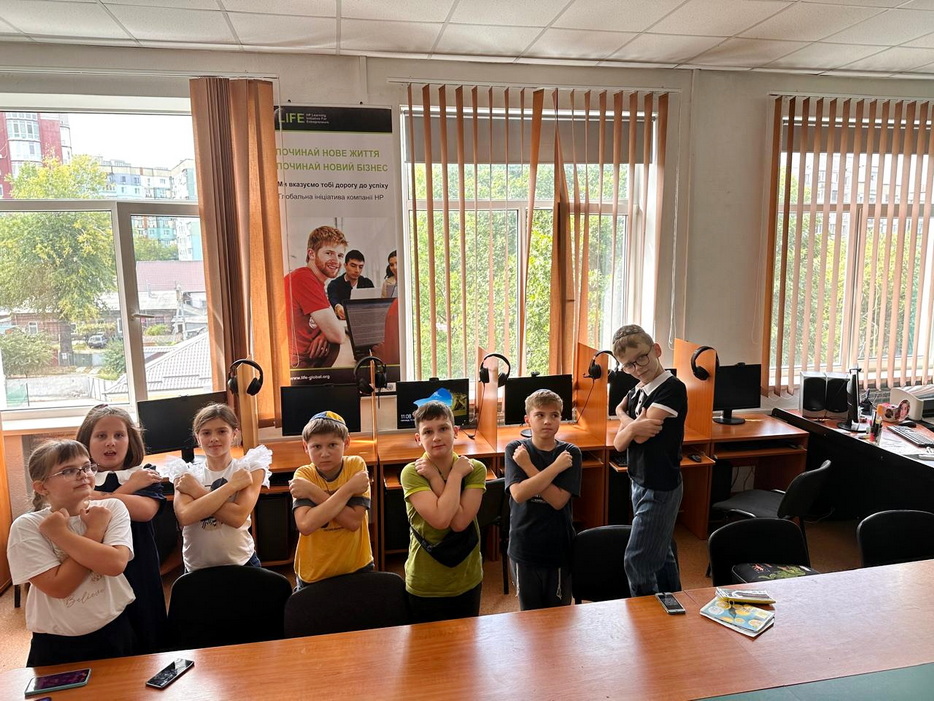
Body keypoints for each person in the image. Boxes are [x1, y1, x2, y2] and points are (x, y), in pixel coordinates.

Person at [7, 440, 136, 667]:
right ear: (41, 487)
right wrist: (94, 532)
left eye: (86, 467)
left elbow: (115, 564)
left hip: (114, 628)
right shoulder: (27, 526)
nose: (83, 475)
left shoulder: (111, 508)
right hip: (56, 643)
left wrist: (62, 535)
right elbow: (59, 587)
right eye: (68, 471)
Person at [76, 404, 166, 654]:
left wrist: (99, 496)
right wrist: (129, 489)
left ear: (130, 440)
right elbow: (84, 508)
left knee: (145, 628)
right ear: (87, 441)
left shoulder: (144, 474)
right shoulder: (80, 477)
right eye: (101, 436)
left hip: (138, 565)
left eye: (119, 435)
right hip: (97, 565)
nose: (110, 442)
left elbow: (144, 510)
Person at [611, 324, 687, 596]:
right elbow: (619, 443)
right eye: (628, 365)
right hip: (639, 481)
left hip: (660, 485)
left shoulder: (672, 388)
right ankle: (673, 606)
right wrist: (630, 424)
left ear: (656, 350)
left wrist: (623, 417)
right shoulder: (637, 391)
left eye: (641, 358)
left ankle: (646, 617)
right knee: (660, 551)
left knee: (638, 561)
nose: (637, 368)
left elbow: (641, 438)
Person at [401, 400, 486, 623]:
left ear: (455, 431)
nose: (436, 437)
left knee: (468, 643)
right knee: (426, 644)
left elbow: (459, 522)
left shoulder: (474, 469)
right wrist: (453, 476)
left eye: (443, 429)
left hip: (467, 577)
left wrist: (442, 478)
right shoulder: (412, 473)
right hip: (426, 582)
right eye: (428, 432)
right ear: (418, 438)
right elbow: (441, 519)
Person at [162, 404, 271, 572]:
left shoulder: (248, 470)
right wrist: (232, 486)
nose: (214, 438)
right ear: (197, 437)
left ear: (234, 434)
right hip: (197, 568)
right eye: (206, 433)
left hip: (242, 562)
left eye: (222, 431)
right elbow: (185, 516)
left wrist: (197, 492)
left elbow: (237, 517)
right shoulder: (185, 475)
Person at [505, 389, 582, 610]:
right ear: (528, 419)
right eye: (540, 415)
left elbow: (558, 501)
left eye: (554, 415)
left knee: (559, 615)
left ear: (561, 418)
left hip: (557, 548)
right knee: (529, 615)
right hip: (524, 546)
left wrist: (528, 467)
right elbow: (519, 494)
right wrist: (554, 468)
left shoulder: (570, 453)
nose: (547, 421)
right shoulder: (516, 450)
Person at [289, 411, 374, 589]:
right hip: (315, 571)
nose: (325, 453)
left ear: (347, 443)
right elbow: (306, 525)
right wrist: (349, 489)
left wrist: (313, 492)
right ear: (305, 447)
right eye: (316, 446)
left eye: (332, 445)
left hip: (356, 566)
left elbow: (353, 522)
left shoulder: (355, 465)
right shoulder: (303, 475)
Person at [284, 225, 348, 368]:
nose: (336, 261)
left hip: (306, 361)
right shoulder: (303, 279)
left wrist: (324, 333)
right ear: (311, 254)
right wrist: (329, 331)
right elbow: (338, 335)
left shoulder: (314, 281)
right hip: (297, 368)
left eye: (340, 256)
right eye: (329, 253)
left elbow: (331, 326)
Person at [327, 248, 375, 320]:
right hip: (343, 322)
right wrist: (338, 307)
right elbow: (333, 299)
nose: (357, 270)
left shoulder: (367, 283)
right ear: (345, 265)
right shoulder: (334, 284)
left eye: (360, 267)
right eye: (353, 266)